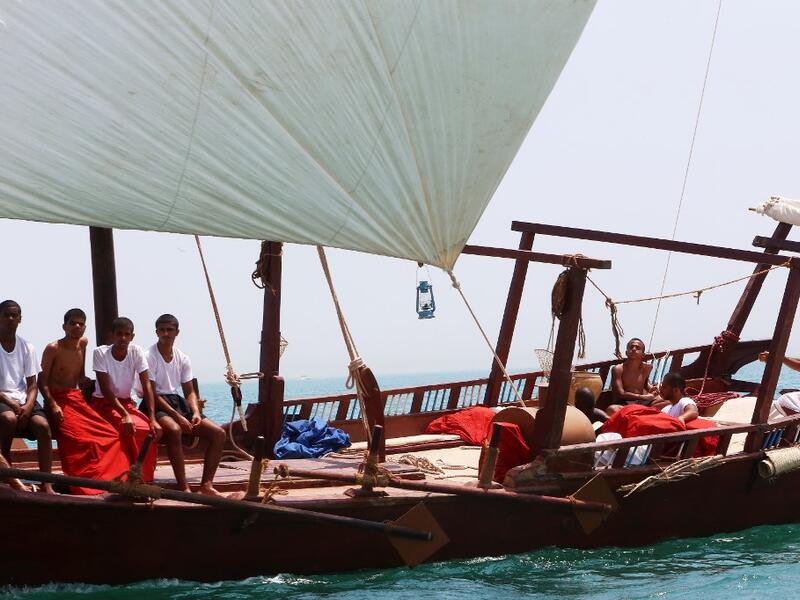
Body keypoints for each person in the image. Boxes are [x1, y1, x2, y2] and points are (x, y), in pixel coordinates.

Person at [39, 308, 131, 494]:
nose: (77, 326)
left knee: (111, 434)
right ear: (64, 326)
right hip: (58, 400)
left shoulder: (83, 343)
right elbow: (42, 381)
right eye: (73, 323)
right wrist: (53, 405)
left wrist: (87, 381)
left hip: (76, 398)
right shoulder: (53, 348)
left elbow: (80, 376)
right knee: (80, 440)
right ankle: (85, 485)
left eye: (81, 323)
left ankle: (114, 481)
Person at [140, 314, 225, 496]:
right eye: (161, 330)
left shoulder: (183, 358)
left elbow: (189, 391)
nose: (165, 333)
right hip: (155, 404)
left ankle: (206, 485)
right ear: (156, 332)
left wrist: (194, 411)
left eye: (169, 330)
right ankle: (183, 486)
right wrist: (177, 416)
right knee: (175, 430)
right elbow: (152, 392)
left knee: (219, 434)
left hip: (177, 402)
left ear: (177, 332)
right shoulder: (149, 356)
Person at [90, 317, 160, 481]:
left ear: (132, 336)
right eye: (119, 334)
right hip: (104, 403)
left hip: (126, 403)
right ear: (112, 336)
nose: (122, 338)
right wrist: (124, 415)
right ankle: (124, 476)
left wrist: (152, 417)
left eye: (126, 334)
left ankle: (143, 478)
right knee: (127, 427)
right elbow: (106, 390)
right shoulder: (100, 353)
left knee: (147, 429)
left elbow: (147, 384)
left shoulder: (136, 352)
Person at [0, 300, 54, 493]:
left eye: (15, 315)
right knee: (8, 419)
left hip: (24, 399)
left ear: (20, 319)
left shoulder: (27, 347)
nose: (11, 319)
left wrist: (29, 406)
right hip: (3, 400)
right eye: (6, 315)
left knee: (43, 427)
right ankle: (7, 474)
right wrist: (14, 406)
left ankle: (46, 483)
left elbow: (33, 384)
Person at [609, 338, 662, 411]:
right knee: (613, 409)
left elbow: (645, 384)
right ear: (626, 352)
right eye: (631, 347)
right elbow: (620, 394)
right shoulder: (618, 369)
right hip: (624, 403)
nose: (634, 349)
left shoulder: (647, 367)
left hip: (641, 402)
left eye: (638, 348)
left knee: (666, 401)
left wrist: (651, 388)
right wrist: (644, 397)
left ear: (643, 354)